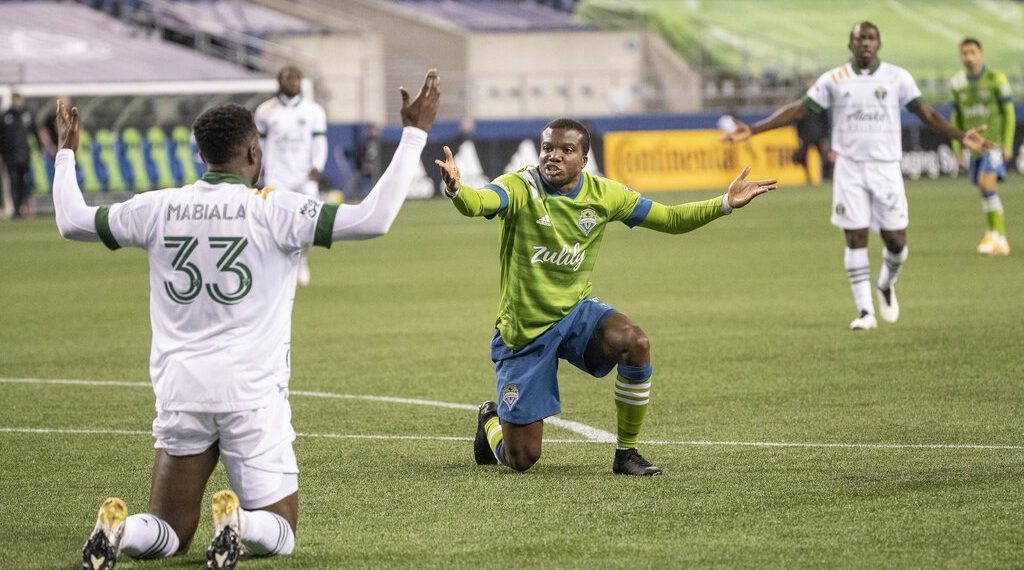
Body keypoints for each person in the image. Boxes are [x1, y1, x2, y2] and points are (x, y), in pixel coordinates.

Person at [56, 69, 440, 570]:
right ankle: (240, 524)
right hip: (251, 394)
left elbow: (71, 220)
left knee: (169, 530)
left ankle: (120, 530)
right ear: (254, 153)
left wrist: (66, 153)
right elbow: (374, 218)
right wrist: (414, 134)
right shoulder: (274, 209)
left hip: (180, 390)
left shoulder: (158, 207)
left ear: (203, 154)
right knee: (281, 533)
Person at [435, 118, 777, 476]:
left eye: (566, 150)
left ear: (583, 159)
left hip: (575, 314)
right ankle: (490, 419)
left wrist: (724, 202)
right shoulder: (522, 186)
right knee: (521, 459)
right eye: (548, 148)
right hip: (525, 330)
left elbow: (670, 218)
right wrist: (458, 190)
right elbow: (482, 201)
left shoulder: (604, 194)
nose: (553, 157)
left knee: (635, 341)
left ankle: (626, 453)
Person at [722, 21, 990, 331]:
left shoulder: (897, 77)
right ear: (850, 44)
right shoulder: (834, 79)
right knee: (855, 237)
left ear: (879, 43)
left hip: (886, 167)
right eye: (859, 38)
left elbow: (926, 113)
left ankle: (886, 284)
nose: (865, 43)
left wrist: (959, 135)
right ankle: (865, 311)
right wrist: (754, 129)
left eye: (871, 38)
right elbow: (799, 110)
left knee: (896, 241)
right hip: (849, 168)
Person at [254, 66, 328, 286]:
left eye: (297, 79)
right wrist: (258, 171)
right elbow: (260, 145)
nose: (294, 83)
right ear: (280, 81)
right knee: (275, 224)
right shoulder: (265, 111)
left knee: (309, 221)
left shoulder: (314, 110)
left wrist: (317, 166)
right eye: (289, 79)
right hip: (277, 176)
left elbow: (319, 142)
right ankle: (279, 266)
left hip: (304, 177)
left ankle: (301, 259)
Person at [950, 38, 1014, 256]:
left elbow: (1009, 113)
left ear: (981, 54)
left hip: (992, 144)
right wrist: (957, 148)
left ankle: (1001, 238)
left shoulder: (996, 79)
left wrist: (1007, 143)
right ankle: (991, 233)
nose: (968, 57)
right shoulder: (957, 84)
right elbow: (955, 117)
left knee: (987, 183)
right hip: (974, 148)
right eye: (964, 53)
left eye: (972, 52)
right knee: (983, 187)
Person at [1, 94, 37, 218]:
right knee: (13, 181)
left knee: (24, 181)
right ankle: (16, 209)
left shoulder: (27, 115)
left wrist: (39, 148)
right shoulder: (6, 116)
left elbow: (35, 132)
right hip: (9, 155)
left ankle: (24, 206)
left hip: (25, 154)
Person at [793, 75, 832, 186]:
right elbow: (798, 119)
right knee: (803, 157)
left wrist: (825, 135)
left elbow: (825, 119)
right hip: (806, 134)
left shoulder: (820, 99)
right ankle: (808, 178)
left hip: (818, 133)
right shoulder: (802, 98)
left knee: (823, 157)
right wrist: (799, 134)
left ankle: (823, 177)